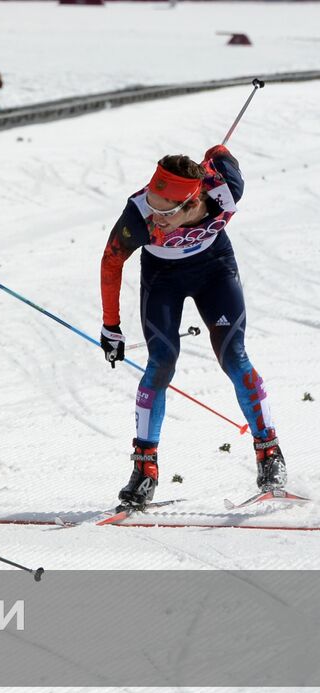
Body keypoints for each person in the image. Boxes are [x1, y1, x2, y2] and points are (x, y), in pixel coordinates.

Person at [98, 146, 284, 506]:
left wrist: (214, 153)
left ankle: (269, 453)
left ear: (190, 203)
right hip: (162, 277)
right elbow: (110, 262)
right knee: (161, 363)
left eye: (164, 211)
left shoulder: (226, 190)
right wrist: (111, 326)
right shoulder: (138, 215)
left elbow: (222, 154)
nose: (155, 216)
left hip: (215, 267)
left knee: (234, 356)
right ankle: (145, 470)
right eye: (152, 201)